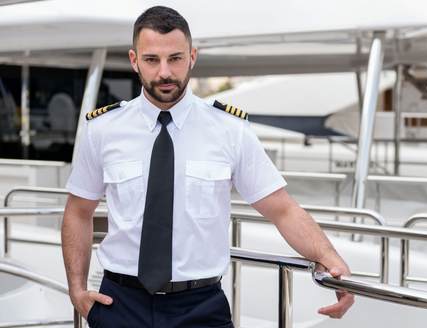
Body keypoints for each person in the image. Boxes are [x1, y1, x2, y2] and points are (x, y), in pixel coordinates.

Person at [61, 6, 354, 327]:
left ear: (192, 57)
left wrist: (329, 257)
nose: (164, 73)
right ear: (134, 60)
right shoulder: (102, 128)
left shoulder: (229, 129)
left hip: (200, 307)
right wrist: (76, 288)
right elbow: (78, 211)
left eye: (175, 58)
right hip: (120, 303)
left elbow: (281, 209)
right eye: (151, 60)